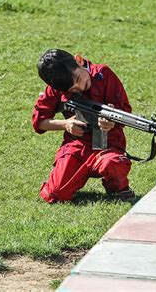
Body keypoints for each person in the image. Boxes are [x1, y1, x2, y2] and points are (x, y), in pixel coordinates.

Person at [32, 49, 135, 204]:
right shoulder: (56, 86)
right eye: (72, 89)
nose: (80, 87)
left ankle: (116, 187)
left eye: (79, 78)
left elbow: (125, 112)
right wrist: (65, 124)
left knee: (113, 163)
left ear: (79, 60)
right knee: (55, 195)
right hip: (77, 146)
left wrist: (111, 122)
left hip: (108, 144)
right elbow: (39, 121)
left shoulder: (103, 74)